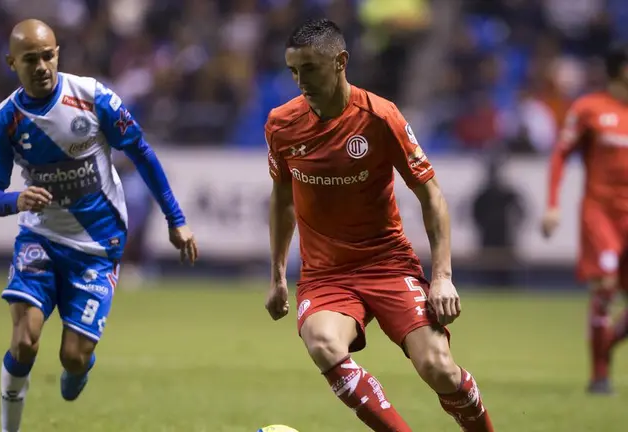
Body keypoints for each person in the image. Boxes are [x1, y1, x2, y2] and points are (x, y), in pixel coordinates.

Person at [264, 19, 493, 431]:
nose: (301, 81)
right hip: (325, 275)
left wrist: (441, 277)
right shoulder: (281, 125)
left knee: (439, 367)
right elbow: (282, 200)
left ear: (340, 62)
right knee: (323, 343)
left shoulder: (380, 116)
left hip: (388, 266)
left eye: (310, 69)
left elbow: (432, 195)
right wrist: (278, 274)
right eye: (293, 71)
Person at [0, 19, 198, 432]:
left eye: (48, 55)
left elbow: (143, 153)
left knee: (73, 356)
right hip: (40, 237)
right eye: (30, 59)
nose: (42, 65)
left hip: (98, 244)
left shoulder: (94, 97)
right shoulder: (5, 120)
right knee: (24, 340)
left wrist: (176, 219)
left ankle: (78, 370)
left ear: (57, 52)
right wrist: (15, 200)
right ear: (12, 63)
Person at [542, 42, 628, 395]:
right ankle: (600, 375)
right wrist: (552, 204)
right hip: (600, 213)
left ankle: (603, 345)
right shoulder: (589, 109)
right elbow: (560, 156)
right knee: (605, 287)